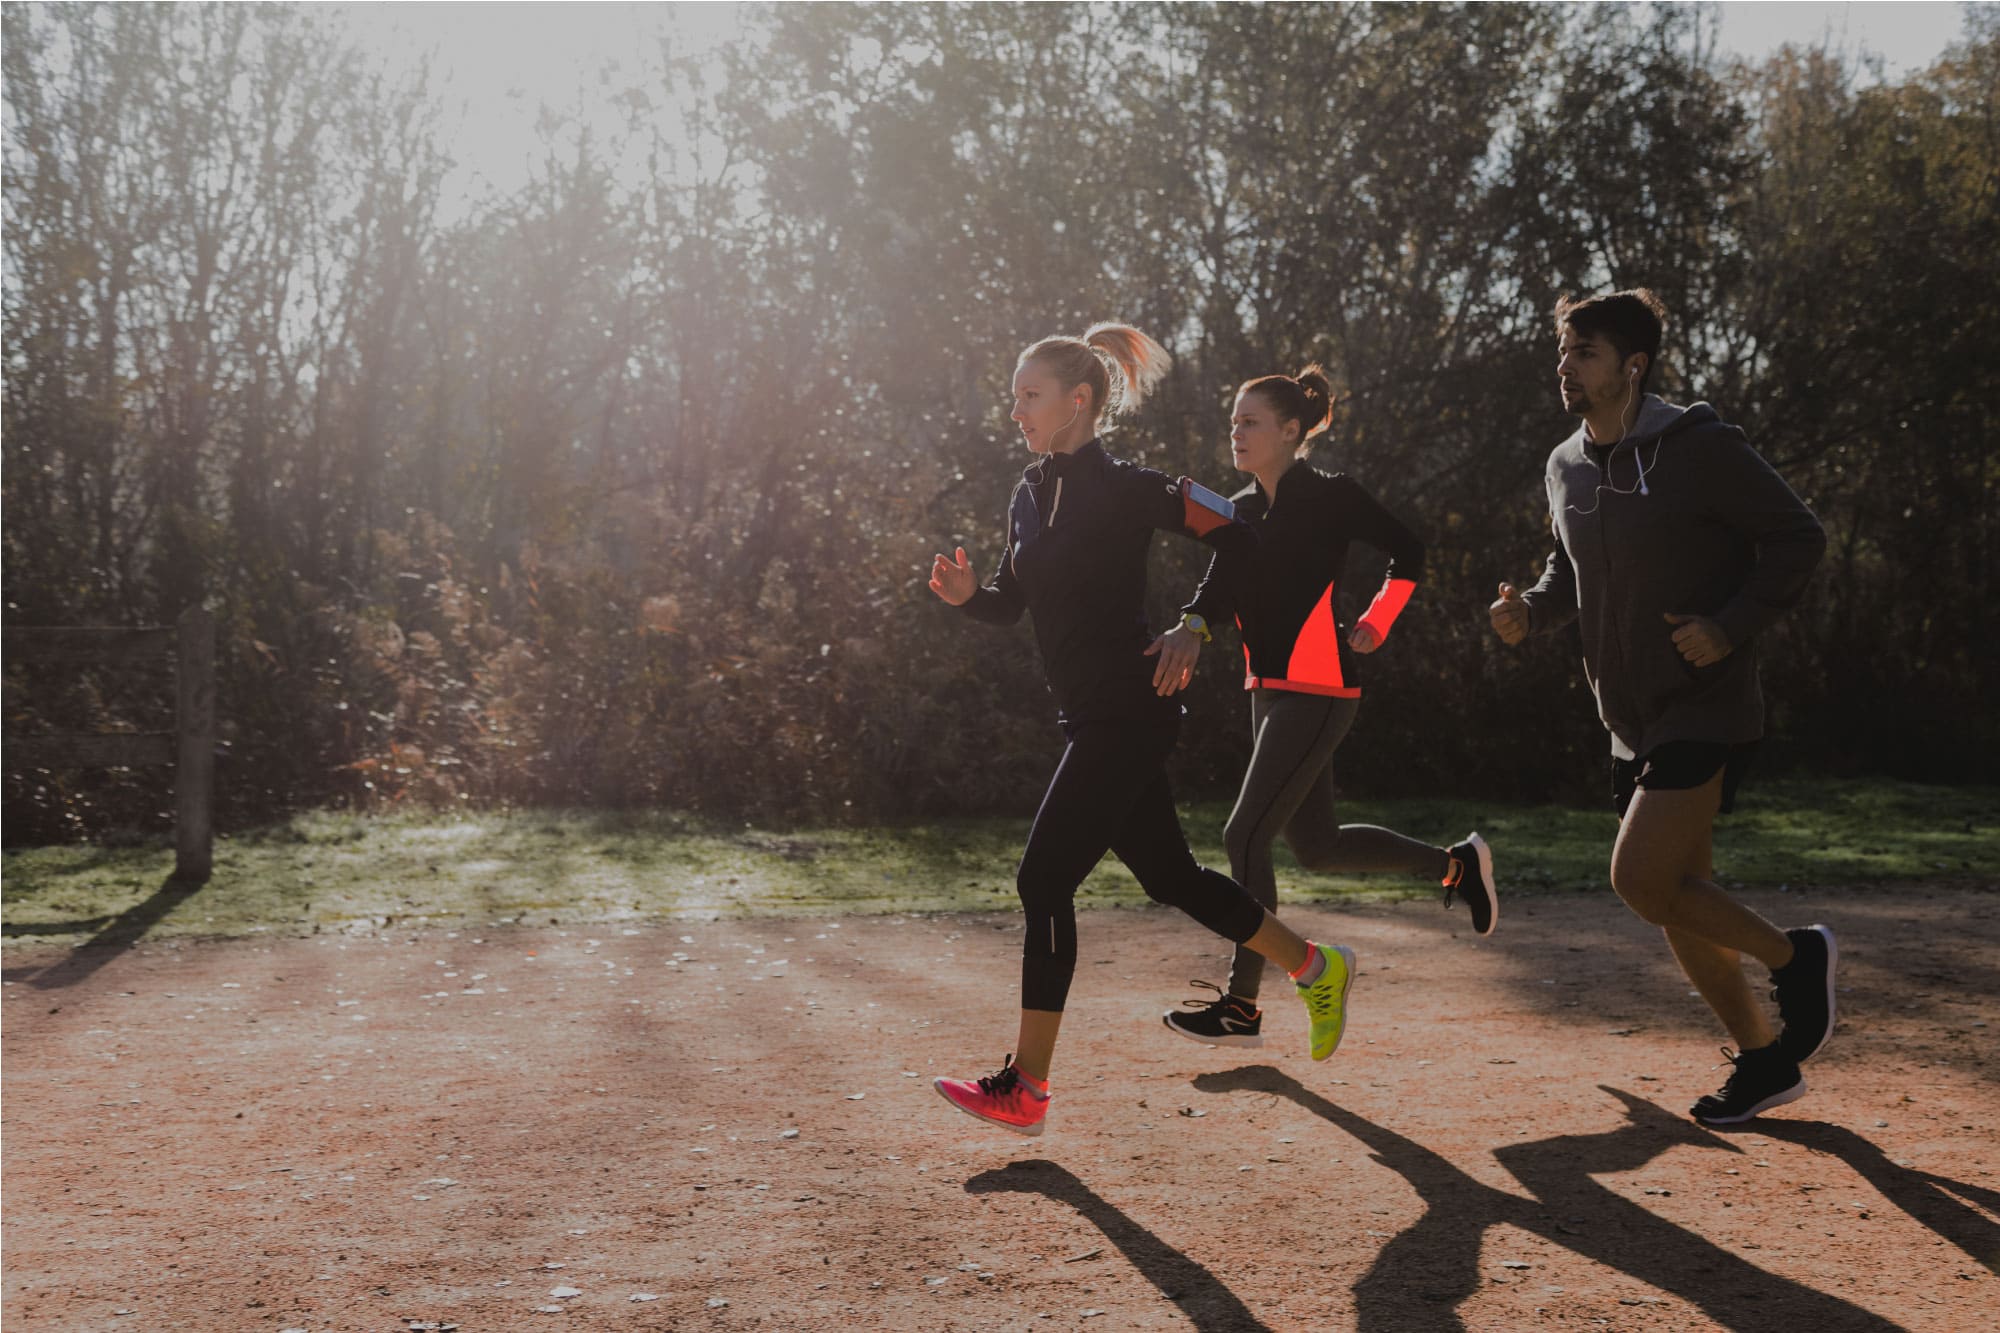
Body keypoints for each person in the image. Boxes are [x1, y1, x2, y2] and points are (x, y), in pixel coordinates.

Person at [926, 324, 1356, 1136]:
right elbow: (1009, 601)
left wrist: (1197, 621)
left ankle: (1028, 1086)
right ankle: (1313, 964)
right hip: (1091, 715)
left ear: (1077, 401)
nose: (1015, 410)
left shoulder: (1129, 487)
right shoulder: (1026, 495)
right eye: (1015, 395)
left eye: (1029, 396)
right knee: (1171, 875)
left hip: (1132, 706)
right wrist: (965, 598)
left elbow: (1241, 529)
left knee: (1043, 880)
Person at [1488, 288, 1835, 1126]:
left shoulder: (1700, 447)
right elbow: (1567, 569)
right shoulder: (1565, 464)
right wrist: (1531, 610)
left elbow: (1799, 535)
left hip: (1706, 700)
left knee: (1639, 878)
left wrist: (1731, 625)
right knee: (1679, 891)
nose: (1566, 368)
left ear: (1633, 366)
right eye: (1563, 351)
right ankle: (1762, 1060)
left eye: (1586, 354)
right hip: (1626, 713)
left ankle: (1798, 958)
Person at [1146, 365, 1499, 1049]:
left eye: (1250, 422)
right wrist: (1191, 624)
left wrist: (1378, 618)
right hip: (1267, 691)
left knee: (1243, 835)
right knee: (1318, 845)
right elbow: (1216, 588)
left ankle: (1241, 1005)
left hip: (1321, 690)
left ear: (1289, 430)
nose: (1237, 433)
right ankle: (1456, 864)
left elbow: (1410, 550)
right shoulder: (1241, 512)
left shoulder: (1330, 496)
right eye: (1233, 422)